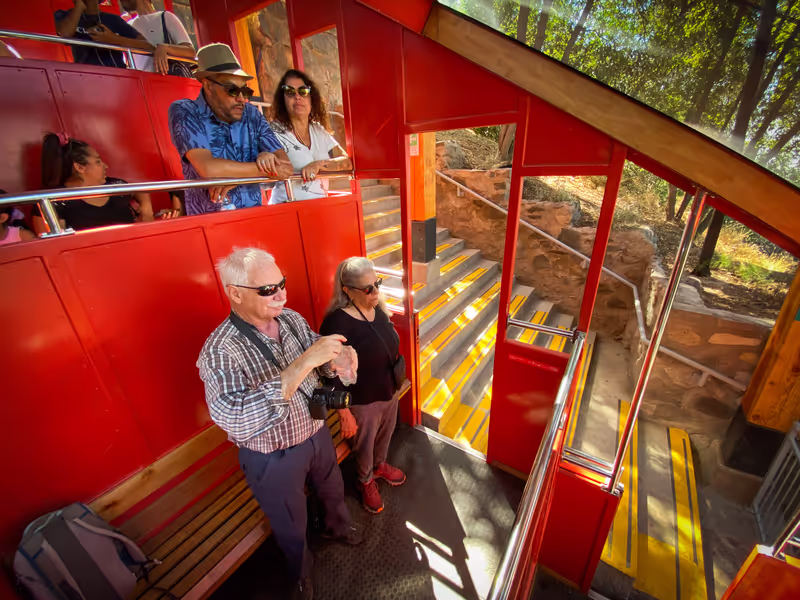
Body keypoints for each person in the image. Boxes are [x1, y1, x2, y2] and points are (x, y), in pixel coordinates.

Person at [197, 248, 362, 600]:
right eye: (268, 290)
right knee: (290, 520)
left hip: (315, 432)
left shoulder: (290, 318)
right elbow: (238, 419)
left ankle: (338, 527)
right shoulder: (219, 350)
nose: (281, 295)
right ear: (235, 293)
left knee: (332, 488)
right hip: (272, 455)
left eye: (281, 284)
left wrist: (337, 362)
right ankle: (300, 572)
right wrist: (303, 363)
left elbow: (319, 365)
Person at [320, 257, 406, 514]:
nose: (376, 292)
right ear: (347, 290)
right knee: (364, 443)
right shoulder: (337, 323)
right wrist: (344, 413)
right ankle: (365, 479)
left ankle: (380, 465)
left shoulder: (377, 308)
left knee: (385, 435)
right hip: (362, 399)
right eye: (367, 288)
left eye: (377, 283)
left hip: (389, 389)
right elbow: (327, 373)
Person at [168, 43, 294, 216]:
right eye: (233, 90)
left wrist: (264, 159)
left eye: (245, 91)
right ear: (208, 85)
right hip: (209, 224)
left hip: (255, 217)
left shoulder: (251, 114)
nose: (242, 98)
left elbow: (286, 167)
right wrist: (264, 168)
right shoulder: (185, 111)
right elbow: (209, 169)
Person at [31, 133, 177, 235]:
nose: (105, 166)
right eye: (98, 161)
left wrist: (146, 213)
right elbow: (55, 248)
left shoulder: (115, 185)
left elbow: (140, 192)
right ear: (80, 167)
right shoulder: (53, 202)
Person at [269, 69, 352, 204]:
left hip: (318, 209)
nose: (297, 96)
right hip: (286, 208)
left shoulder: (318, 129)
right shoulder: (274, 131)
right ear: (282, 99)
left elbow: (347, 162)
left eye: (303, 91)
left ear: (311, 98)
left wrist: (318, 165)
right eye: (289, 91)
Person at [55, 0, 153, 69]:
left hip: (117, 73)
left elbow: (148, 46)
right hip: (85, 75)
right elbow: (65, 34)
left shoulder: (113, 19)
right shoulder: (65, 16)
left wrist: (113, 39)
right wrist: (79, 7)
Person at [120, 0, 195, 75]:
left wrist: (165, 48)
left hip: (167, 80)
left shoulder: (166, 17)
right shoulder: (128, 25)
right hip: (141, 82)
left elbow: (190, 51)